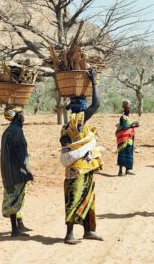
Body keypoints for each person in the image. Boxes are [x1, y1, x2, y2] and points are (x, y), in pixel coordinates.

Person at [60, 68, 104, 245]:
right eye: (84, 104)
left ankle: (88, 231)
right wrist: (93, 81)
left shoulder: (66, 125)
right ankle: (69, 234)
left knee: (83, 197)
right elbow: (97, 105)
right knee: (76, 197)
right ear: (80, 107)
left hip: (76, 169)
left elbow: (64, 142)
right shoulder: (78, 119)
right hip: (80, 169)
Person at [1, 107, 34, 236]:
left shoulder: (9, 131)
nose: (23, 117)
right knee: (14, 198)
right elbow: (15, 152)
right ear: (17, 117)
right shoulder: (16, 131)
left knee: (15, 197)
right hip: (15, 171)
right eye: (21, 114)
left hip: (8, 171)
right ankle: (15, 230)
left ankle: (18, 226)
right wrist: (26, 170)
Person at [115, 100, 139, 176]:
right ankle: (120, 171)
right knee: (122, 153)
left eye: (129, 109)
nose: (128, 111)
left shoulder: (128, 118)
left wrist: (135, 125)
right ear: (124, 110)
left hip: (129, 139)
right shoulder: (122, 117)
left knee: (129, 153)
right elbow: (124, 127)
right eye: (127, 109)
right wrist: (133, 125)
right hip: (123, 139)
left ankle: (127, 170)